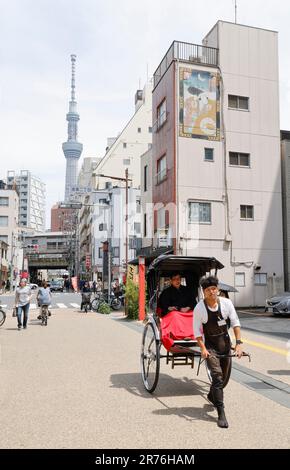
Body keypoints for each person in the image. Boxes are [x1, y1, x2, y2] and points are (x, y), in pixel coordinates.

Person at [194, 276, 243, 429]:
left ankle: (211, 395)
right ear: (204, 292)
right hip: (210, 346)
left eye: (214, 288)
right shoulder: (199, 308)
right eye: (208, 290)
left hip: (225, 344)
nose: (212, 292)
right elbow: (196, 332)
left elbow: (235, 323)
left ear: (218, 289)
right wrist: (202, 348)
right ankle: (221, 413)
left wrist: (239, 343)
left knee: (223, 379)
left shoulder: (227, 303)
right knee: (217, 376)